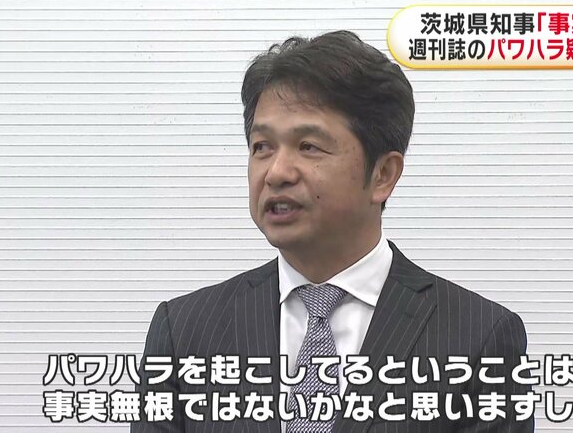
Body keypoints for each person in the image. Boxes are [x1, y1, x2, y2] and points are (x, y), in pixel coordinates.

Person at [132, 30, 534, 433]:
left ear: (383, 175)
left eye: (308, 146)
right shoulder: (184, 331)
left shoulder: (480, 338)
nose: (276, 172)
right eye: (262, 146)